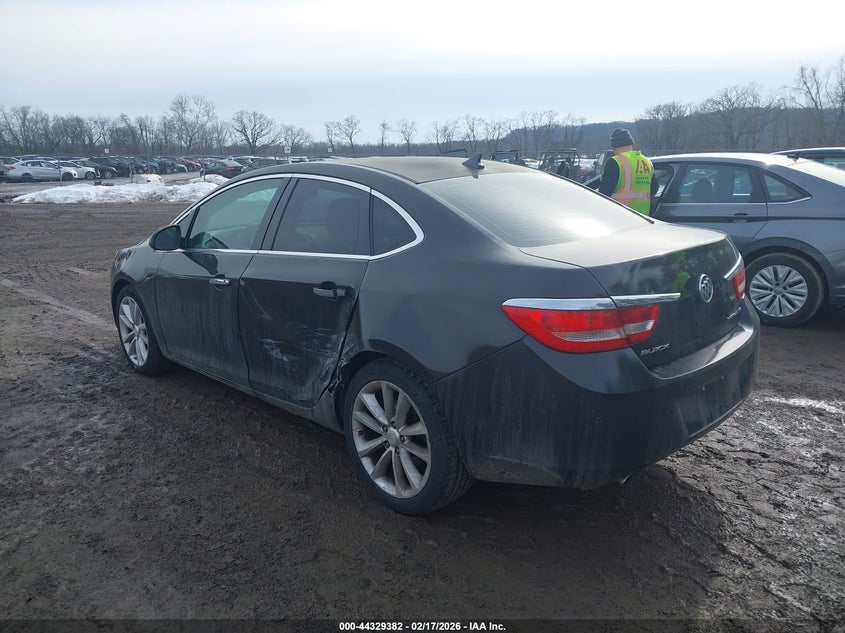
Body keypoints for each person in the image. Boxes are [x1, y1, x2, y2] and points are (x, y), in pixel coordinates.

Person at [598, 128, 658, 215]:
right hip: (643, 218)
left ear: (614, 147)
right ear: (631, 144)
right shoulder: (646, 161)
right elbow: (654, 188)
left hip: (620, 217)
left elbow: (603, 194)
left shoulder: (615, 162)